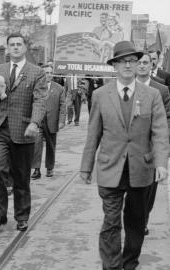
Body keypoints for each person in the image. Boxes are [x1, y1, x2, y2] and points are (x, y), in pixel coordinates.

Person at [80, 41, 169, 270]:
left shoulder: (152, 95)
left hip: (141, 169)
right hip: (110, 167)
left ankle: (129, 263)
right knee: (111, 221)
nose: (129, 65)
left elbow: (159, 131)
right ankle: (111, 266)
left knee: (136, 221)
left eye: (133, 60)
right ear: (114, 66)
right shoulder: (100, 95)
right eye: (123, 61)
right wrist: (86, 167)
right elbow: (94, 134)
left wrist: (161, 163)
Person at [0, 32, 47, 234]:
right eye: (11, 44)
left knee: (22, 177)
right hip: (1, 129)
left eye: (18, 44)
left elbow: (40, 100)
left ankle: (22, 216)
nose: (14, 47)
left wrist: (35, 123)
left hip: (23, 131)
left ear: (25, 48)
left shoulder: (36, 72)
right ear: (7, 48)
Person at [136, 51, 170, 235]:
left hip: (152, 150)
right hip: (129, 150)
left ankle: (143, 219)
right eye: (139, 62)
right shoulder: (124, 87)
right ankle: (133, 218)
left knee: (149, 189)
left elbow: (168, 119)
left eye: (146, 62)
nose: (142, 65)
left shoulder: (162, 90)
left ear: (151, 66)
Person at [31, 64, 66, 179]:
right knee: (36, 145)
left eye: (51, 73)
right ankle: (36, 169)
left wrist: (61, 121)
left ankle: (50, 168)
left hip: (52, 121)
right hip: (38, 121)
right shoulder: (37, 86)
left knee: (51, 146)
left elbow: (62, 106)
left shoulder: (59, 88)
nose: (49, 75)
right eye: (46, 73)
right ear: (42, 74)